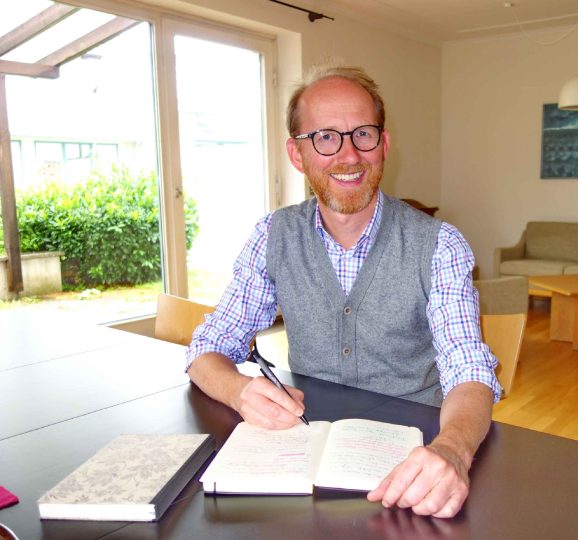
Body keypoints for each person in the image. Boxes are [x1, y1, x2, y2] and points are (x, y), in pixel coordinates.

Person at [186, 65, 501, 518]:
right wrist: (238, 391)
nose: (349, 155)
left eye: (363, 134)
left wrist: (451, 449)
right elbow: (207, 347)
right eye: (325, 137)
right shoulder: (273, 236)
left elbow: (469, 370)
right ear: (297, 154)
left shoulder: (440, 244)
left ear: (384, 145)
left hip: (416, 459)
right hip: (306, 453)